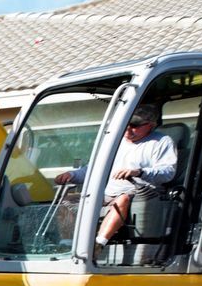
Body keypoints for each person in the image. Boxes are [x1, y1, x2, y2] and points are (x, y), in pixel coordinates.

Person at [53, 103, 178, 251]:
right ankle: (67, 245)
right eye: (125, 124)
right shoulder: (115, 142)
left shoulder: (162, 142)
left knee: (122, 199)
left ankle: (98, 244)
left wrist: (140, 172)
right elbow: (94, 169)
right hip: (106, 194)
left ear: (151, 125)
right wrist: (72, 175)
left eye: (134, 125)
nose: (128, 129)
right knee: (67, 201)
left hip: (141, 194)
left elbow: (168, 172)